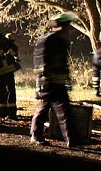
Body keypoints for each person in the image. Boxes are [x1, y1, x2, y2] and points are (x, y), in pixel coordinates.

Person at [30, 11, 82, 147]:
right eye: (67, 26)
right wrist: (44, 79)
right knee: (43, 108)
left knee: (64, 110)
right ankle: (36, 135)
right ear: (61, 26)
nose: (69, 29)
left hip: (58, 81)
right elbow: (41, 62)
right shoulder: (47, 40)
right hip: (47, 82)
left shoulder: (60, 40)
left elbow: (63, 63)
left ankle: (72, 139)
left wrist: (66, 79)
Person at [0, 30, 22, 119]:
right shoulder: (12, 47)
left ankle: (3, 111)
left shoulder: (1, 47)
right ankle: (11, 112)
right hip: (9, 72)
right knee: (10, 92)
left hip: (1, 73)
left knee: (1, 92)